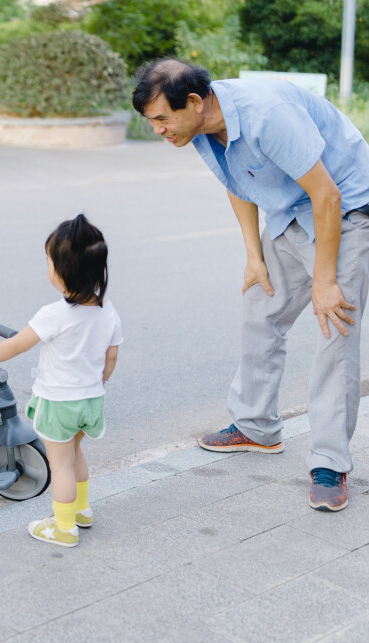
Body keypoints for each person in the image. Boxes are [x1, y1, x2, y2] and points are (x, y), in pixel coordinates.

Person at [132, 58, 369, 512]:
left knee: (333, 326)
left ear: (196, 102)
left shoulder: (265, 116)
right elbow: (237, 182)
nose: (159, 130)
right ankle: (256, 426)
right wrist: (254, 257)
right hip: (291, 211)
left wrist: (324, 281)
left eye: (163, 118)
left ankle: (330, 461)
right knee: (261, 310)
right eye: (152, 122)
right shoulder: (204, 126)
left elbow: (328, 195)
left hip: (347, 210)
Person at [0, 215, 121, 547]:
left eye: (49, 260)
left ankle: (64, 528)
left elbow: (17, 344)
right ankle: (81, 511)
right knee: (75, 455)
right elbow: (111, 356)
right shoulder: (108, 310)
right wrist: (100, 382)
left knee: (60, 465)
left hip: (59, 404)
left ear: (61, 272)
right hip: (90, 400)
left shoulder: (54, 314)